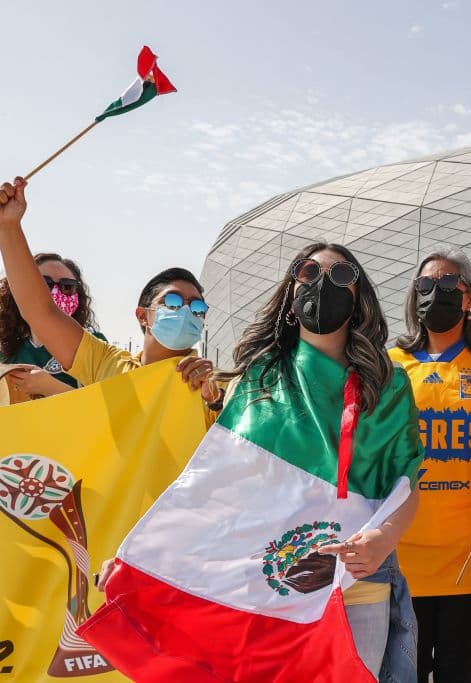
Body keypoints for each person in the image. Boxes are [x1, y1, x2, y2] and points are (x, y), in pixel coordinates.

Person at [99, 242, 423, 680]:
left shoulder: (388, 384)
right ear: (291, 292)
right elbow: (216, 492)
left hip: (357, 584)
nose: (322, 284)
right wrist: (141, 562)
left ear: (359, 298)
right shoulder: (258, 377)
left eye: (341, 276)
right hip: (265, 591)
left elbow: (406, 485)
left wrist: (382, 539)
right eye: (308, 273)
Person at [0, 177, 220, 415]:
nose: (186, 311)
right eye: (173, 302)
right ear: (142, 316)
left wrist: (214, 402)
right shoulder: (108, 364)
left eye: (197, 307)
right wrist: (9, 226)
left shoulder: (214, 387)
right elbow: (40, 312)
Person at [388, 247, 471, 683]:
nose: (436, 292)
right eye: (425, 284)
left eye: (449, 282)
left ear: (469, 298)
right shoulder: (391, 365)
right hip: (402, 560)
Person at [0, 252, 106, 399]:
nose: (56, 293)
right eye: (44, 284)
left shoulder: (93, 345)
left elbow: (103, 405)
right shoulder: (6, 350)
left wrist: (50, 387)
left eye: (67, 286)